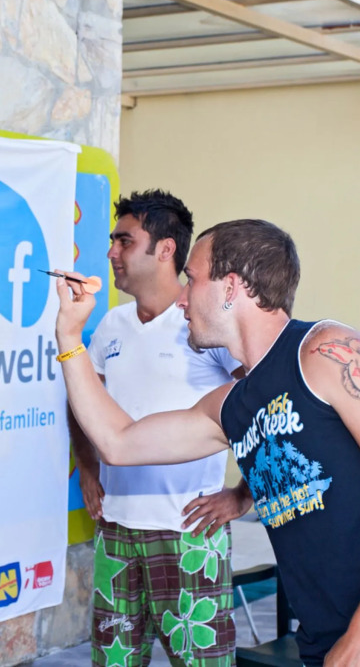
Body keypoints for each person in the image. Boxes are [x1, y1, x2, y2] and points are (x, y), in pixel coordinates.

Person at [55, 219, 360, 666]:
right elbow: (118, 443)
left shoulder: (324, 351)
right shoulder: (229, 406)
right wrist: (69, 337)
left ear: (231, 287)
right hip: (328, 644)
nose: (181, 299)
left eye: (192, 280)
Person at [70, 190, 250, 667]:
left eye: (124, 241)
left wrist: (242, 496)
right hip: (116, 530)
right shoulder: (111, 325)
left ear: (165, 249)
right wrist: (87, 468)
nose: (112, 252)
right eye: (113, 241)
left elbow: (265, 406)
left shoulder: (206, 326)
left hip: (189, 533)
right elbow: (81, 401)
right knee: (114, 662)